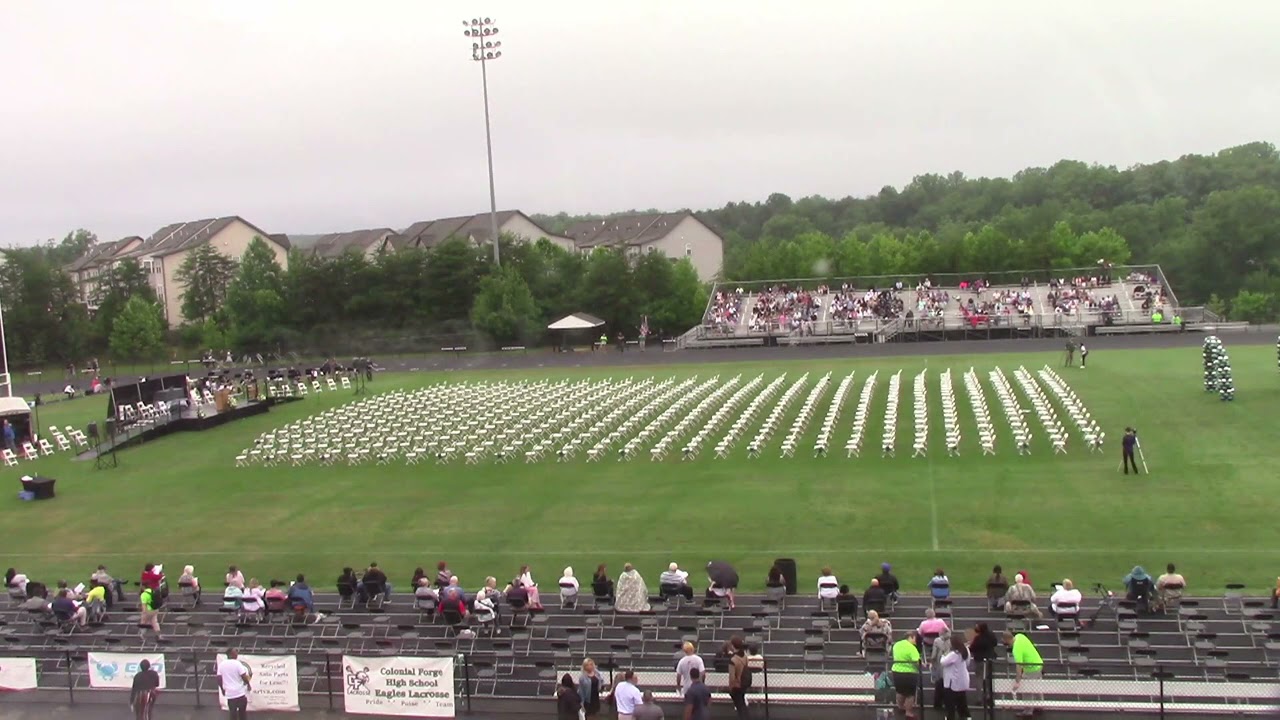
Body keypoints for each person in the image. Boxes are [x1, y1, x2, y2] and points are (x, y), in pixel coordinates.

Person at [1004, 631, 1043, 718]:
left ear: (1007, 640)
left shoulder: (1016, 649)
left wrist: (1018, 680)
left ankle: (1028, 711)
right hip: (1038, 663)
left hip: (1031, 668)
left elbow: (1019, 666)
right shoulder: (1020, 636)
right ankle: (1040, 704)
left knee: (1026, 689)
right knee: (1037, 685)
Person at [940, 634, 972, 720]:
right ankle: (966, 716)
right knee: (962, 700)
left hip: (953, 681)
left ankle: (950, 717)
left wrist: (943, 654)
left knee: (950, 701)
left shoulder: (954, 654)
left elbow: (943, 662)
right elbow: (967, 663)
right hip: (963, 679)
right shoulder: (966, 651)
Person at [891, 630, 921, 720]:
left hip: (896, 671)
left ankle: (900, 707)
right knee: (910, 694)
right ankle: (909, 713)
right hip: (909, 673)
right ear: (911, 637)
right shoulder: (912, 648)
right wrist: (919, 666)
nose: (916, 641)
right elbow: (916, 661)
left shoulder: (896, 645)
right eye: (915, 638)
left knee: (900, 691)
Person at [219, 648, 253, 720]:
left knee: (233, 714)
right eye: (235, 652)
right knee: (242, 714)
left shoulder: (222, 664)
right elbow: (243, 676)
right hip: (239, 693)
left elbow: (219, 678)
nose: (237, 653)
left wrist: (222, 689)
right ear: (231, 654)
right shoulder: (237, 663)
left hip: (230, 694)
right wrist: (248, 684)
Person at [727, 637, 750, 719]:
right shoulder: (745, 656)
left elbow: (732, 677)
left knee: (739, 708)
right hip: (744, 684)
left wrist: (730, 688)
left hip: (736, 686)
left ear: (733, 646)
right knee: (742, 705)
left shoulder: (733, 660)